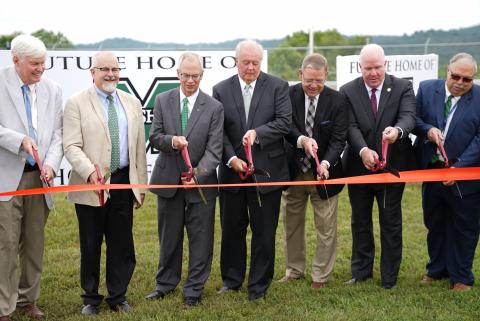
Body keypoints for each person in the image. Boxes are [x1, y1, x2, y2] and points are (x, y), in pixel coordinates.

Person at [63, 51, 147, 315]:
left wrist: (140, 186)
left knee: (122, 242)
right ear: (93, 72)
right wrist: (90, 172)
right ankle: (90, 298)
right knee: (90, 242)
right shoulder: (76, 103)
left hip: (122, 181)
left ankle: (118, 296)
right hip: (91, 183)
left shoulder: (132, 102)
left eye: (115, 69)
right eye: (104, 69)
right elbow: (71, 146)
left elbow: (138, 150)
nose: (111, 74)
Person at [213, 40, 292, 301]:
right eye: (245, 62)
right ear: (236, 61)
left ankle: (258, 285)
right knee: (232, 228)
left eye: (255, 63)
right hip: (232, 173)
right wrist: (231, 158)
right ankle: (232, 280)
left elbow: (283, 123)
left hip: (267, 171)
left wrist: (258, 133)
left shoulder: (278, 87)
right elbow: (219, 131)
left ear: (261, 62)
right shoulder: (221, 89)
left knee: (264, 231)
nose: (250, 67)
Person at [145, 52, 223, 307]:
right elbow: (155, 136)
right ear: (178, 74)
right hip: (168, 181)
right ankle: (165, 284)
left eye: (196, 76)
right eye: (186, 75)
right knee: (169, 236)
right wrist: (171, 141)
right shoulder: (162, 100)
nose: (190, 80)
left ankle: (194, 288)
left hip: (201, 185)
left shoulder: (214, 107)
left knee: (201, 238)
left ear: (202, 76)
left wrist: (197, 174)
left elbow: (215, 150)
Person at [340, 44, 416, 289]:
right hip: (358, 167)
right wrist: (363, 150)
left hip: (392, 168)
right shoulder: (348, 90)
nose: (373, 73)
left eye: (377, 67)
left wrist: (397, 131)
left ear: (386, 65)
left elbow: (409, 117)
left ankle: (389, 277)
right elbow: (349, 126)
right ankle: (361, 272)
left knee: (390, 220)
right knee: (359, 221)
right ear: (360, 67)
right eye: (368, 68)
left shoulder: (403, 87)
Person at [0, 34, 63, 321]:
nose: (41, 69)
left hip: (40, 179)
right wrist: (19, 140)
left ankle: (29, 299)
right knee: (7, 244)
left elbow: (58, 135)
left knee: (34, 242)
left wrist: (49, 164)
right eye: (35, 64)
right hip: (7, 179)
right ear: (15, 60)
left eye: (43, 63)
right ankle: (4, 306)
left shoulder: (52, 89)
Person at [278, 53, 348, 289]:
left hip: (324, 175)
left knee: (326, 228)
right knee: (292, 225)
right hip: (293, 172)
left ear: (326, 76)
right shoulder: (287, 95)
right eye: (309, 80)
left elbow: (339, 139)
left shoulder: (338, 101)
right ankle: (294, 270)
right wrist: (301, 140)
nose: (314, 85)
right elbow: (285, 127)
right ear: (300, 74)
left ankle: (321, 275)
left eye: (319, 80)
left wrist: (326, 163)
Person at [413, 53, 480, 291]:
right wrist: (428, 129)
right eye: (456, 76)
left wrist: (458, 168)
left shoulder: (479, 97)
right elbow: (414, 119)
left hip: (465, 176)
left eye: (467, 79)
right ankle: (436, 269)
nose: (461, 82)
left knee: (465, 226)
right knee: (435, 222)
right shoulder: (427, 89)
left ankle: (462, 277)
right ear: (446, 70)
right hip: (431, 172)